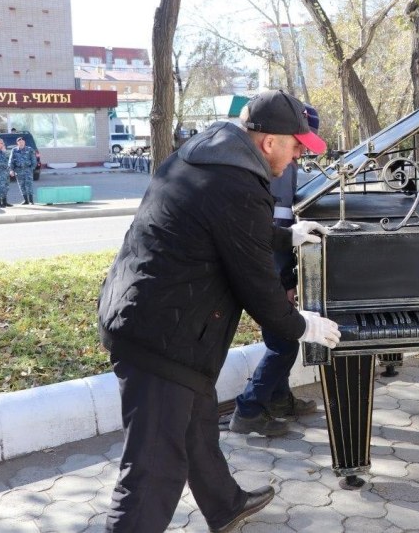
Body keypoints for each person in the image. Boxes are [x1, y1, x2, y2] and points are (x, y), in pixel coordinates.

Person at [97, 89, 341, 533]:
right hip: (162, 337)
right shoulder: (240, 186)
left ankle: (225, 504)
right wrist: (301, 325)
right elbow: (258, 288)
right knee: (153, 471)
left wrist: (286, 235)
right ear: (269, 142)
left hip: (143, 312)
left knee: (197, 423)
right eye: (296, 146)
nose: (297, 157)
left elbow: (221, 224)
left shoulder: (206, 156)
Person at [230, 104, 322, 436]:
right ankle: (249, 409)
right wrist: (285, 280)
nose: (300, 153)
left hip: (268, 271)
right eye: (300, 145)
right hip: (267, 274)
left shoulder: (280, 166)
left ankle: (280, 398)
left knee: (279, 340)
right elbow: (270, 234)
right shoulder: (274, 172)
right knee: (284, 343)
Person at [8, 137, 36, 205]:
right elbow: (11, 160)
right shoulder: (14, 150)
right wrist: (11, 170)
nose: (21, 143)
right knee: (21, 185)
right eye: (19, 142)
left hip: (27, 170)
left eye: (22, 142)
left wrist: (31, 168)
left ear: (24, 142)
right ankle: (26, 200)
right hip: (18, 170)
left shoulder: (29, 149)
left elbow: (34, 160)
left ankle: (31, 201)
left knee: (29, 185)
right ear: (17, 143)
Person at [0, 137, 13, 208]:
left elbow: (8, 160)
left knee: (6, 186)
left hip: (6, 171)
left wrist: (4, 152)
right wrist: (4, 164)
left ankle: (5, 202)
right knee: (0, 187)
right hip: (0, 171)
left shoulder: (3, 151)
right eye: (2, 143)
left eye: (3, 143)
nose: (3, 144)